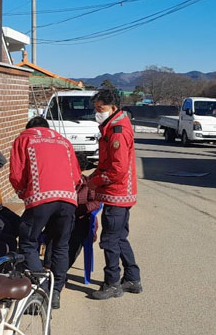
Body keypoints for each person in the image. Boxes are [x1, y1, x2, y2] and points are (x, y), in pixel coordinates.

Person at [9, 116, 81, 309]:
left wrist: (24, 194)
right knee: (60, 245)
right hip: (68, 200)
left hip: (40, 198)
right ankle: (56, 291)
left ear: (29, 128)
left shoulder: (24, 138)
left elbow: (16, 174)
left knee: (28, 242)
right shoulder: (63, 141)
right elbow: (76, 176)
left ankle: (41, 288)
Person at [88, 88, 142, 300]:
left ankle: (112, 283)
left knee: (109, 240)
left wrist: (95, 182)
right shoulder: (113, 127)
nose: (97, 112)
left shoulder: (117, 131)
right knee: (119, 238)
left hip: (117, 194)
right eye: (96, 108)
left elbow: (117, 169)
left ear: (112, 107)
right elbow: (107, 163)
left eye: (100, 108)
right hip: (121, 193)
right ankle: (132, 279)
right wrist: (93, 175)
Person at [43, 174, 100, 272]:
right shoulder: (60, 181)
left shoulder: (88, 183)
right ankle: (48, 268)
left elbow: (96, 202)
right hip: (62, 216)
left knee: (75, 241)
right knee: (54, 235)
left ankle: (61, 271)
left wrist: (78, 209)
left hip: (80, 217)